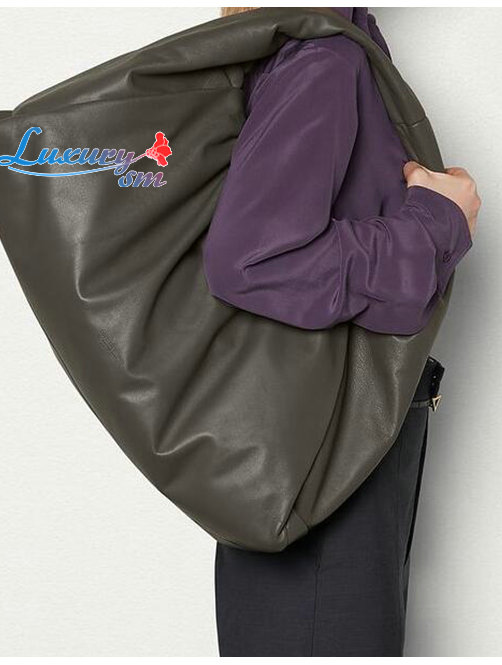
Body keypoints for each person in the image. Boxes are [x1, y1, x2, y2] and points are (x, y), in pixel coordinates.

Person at [203, 7, 480, 657]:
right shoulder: (324, 57)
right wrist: (438, 221)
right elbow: (252, 261)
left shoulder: (324, 44)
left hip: (317, 457)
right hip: (327, 469)